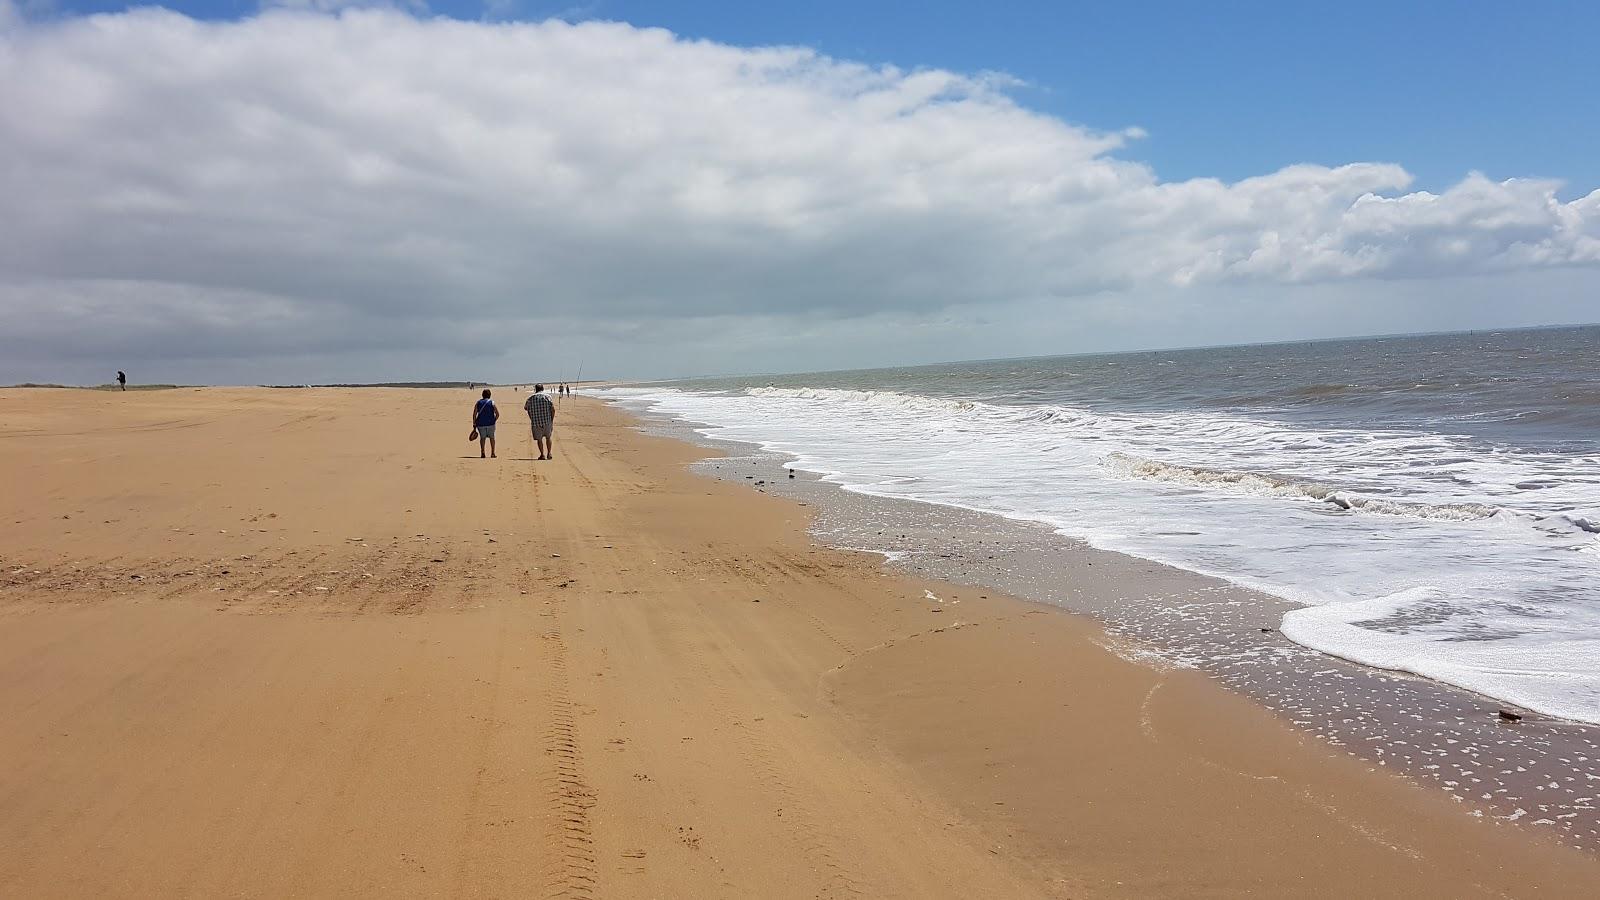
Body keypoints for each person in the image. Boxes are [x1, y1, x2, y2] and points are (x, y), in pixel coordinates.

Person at [524, 383, 556, 460]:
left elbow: (526, 408)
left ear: (535, 389)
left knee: (539, 439)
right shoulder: (548, 397)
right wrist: (552, 419)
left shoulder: (530, 398)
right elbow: (553, 409)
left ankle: (542, 454)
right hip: (547, 421)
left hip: (536, 422)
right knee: (548, 437)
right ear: (543, 389)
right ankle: (549, 453)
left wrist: (531, 415)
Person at [472, 388, 500, 458]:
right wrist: (494, 420)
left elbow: (474, 414)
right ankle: (493, 453)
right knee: (492, 438)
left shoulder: (478, 403)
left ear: (482, 395)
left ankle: (482, 452)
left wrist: (474, 423)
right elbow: (497, 414)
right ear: (490, 395)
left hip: (480, 424)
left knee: (482, 438)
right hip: (491, 424)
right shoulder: (492, 402)